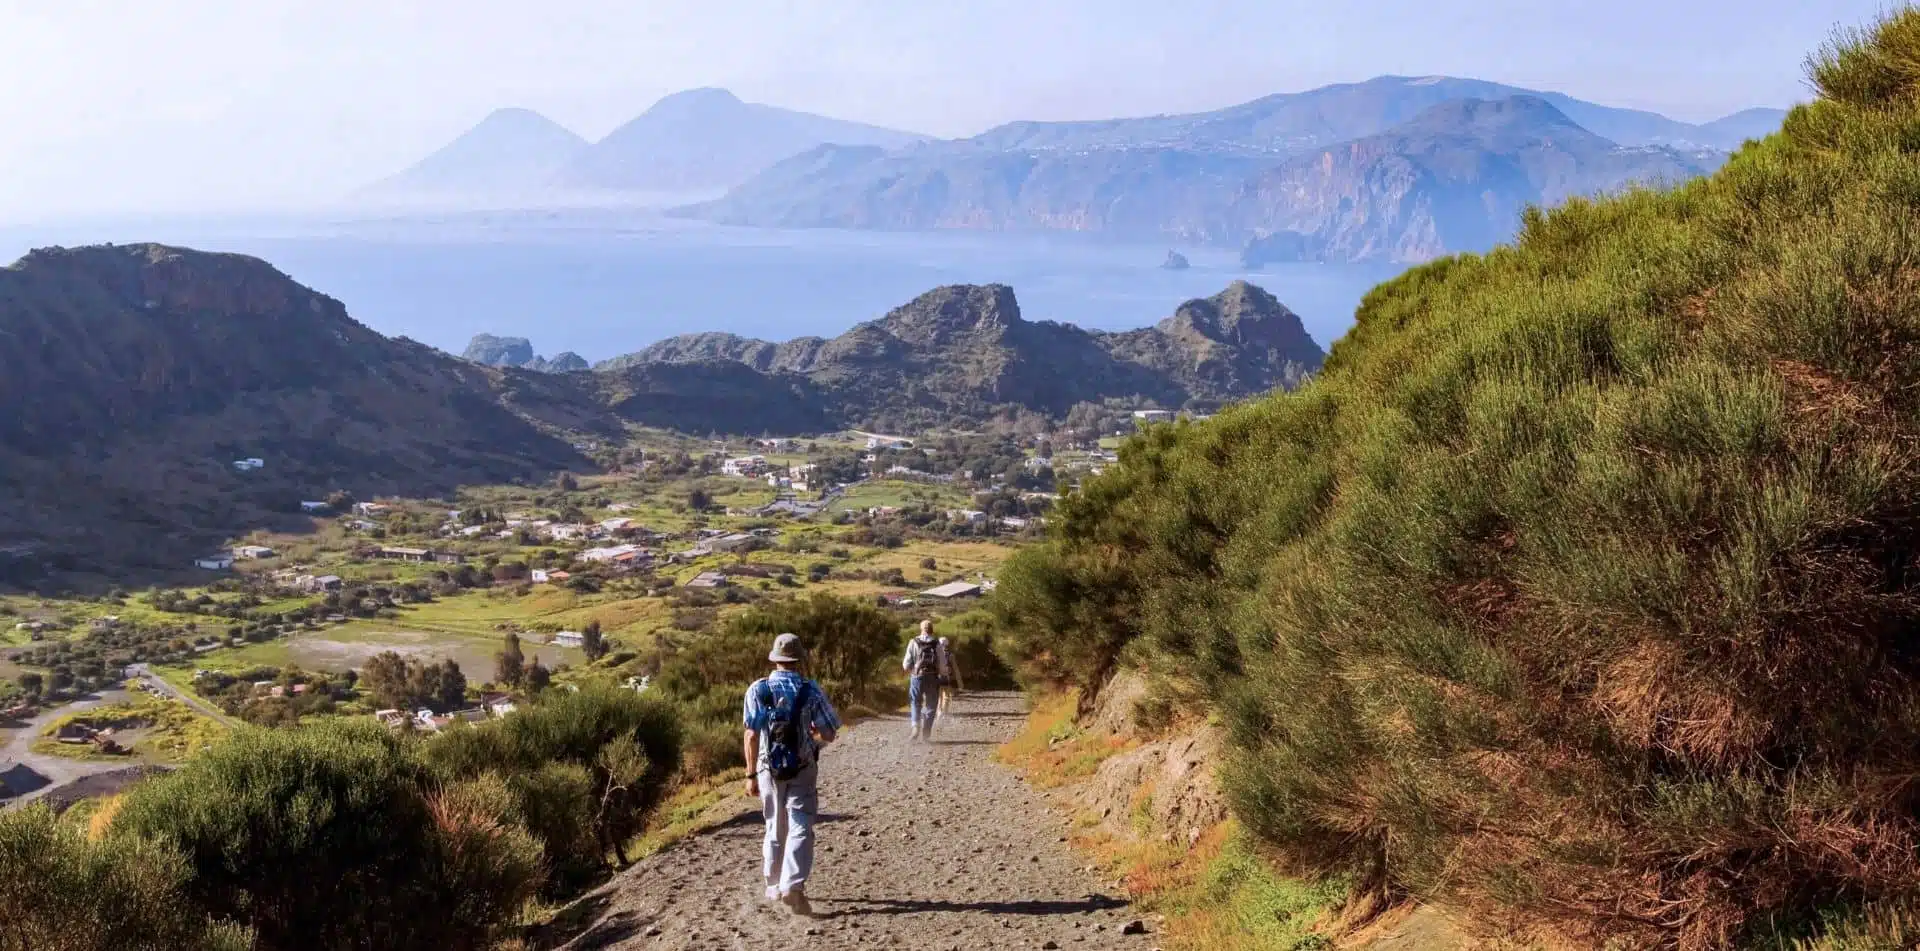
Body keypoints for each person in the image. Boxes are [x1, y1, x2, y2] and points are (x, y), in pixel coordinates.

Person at [743, 632, 841, 916]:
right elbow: (829, 732)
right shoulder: (811, 690)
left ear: (776, 659)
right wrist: (814, 737)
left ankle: (773, 886)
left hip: (767, 769)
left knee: (774, 825)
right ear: (799, 660)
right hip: (803, 768)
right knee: (800, 825)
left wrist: (750, 775)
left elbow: (751, 734)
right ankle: (793, 885)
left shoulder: (758, 690)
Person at [902, 619, 948, 741]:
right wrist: (943, 674)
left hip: (917, 677)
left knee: (915, 702)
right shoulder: (936, 643)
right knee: (931, 705)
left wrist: (912, 670)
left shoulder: (913, 642)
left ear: (921, 629)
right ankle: (926, 732)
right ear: (932, 630)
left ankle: (915, 727)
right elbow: (943, 665)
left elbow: (906, 665)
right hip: (932, 677)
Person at [936, 635, 965, 725]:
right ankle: (944, 713)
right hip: (946, 678)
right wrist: (960, 683)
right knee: (946, 696)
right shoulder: (950, 655)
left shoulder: (935, 654)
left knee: (938, 696)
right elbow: (956, 669)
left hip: (936, 678)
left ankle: (939, 712)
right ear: (947, 644)